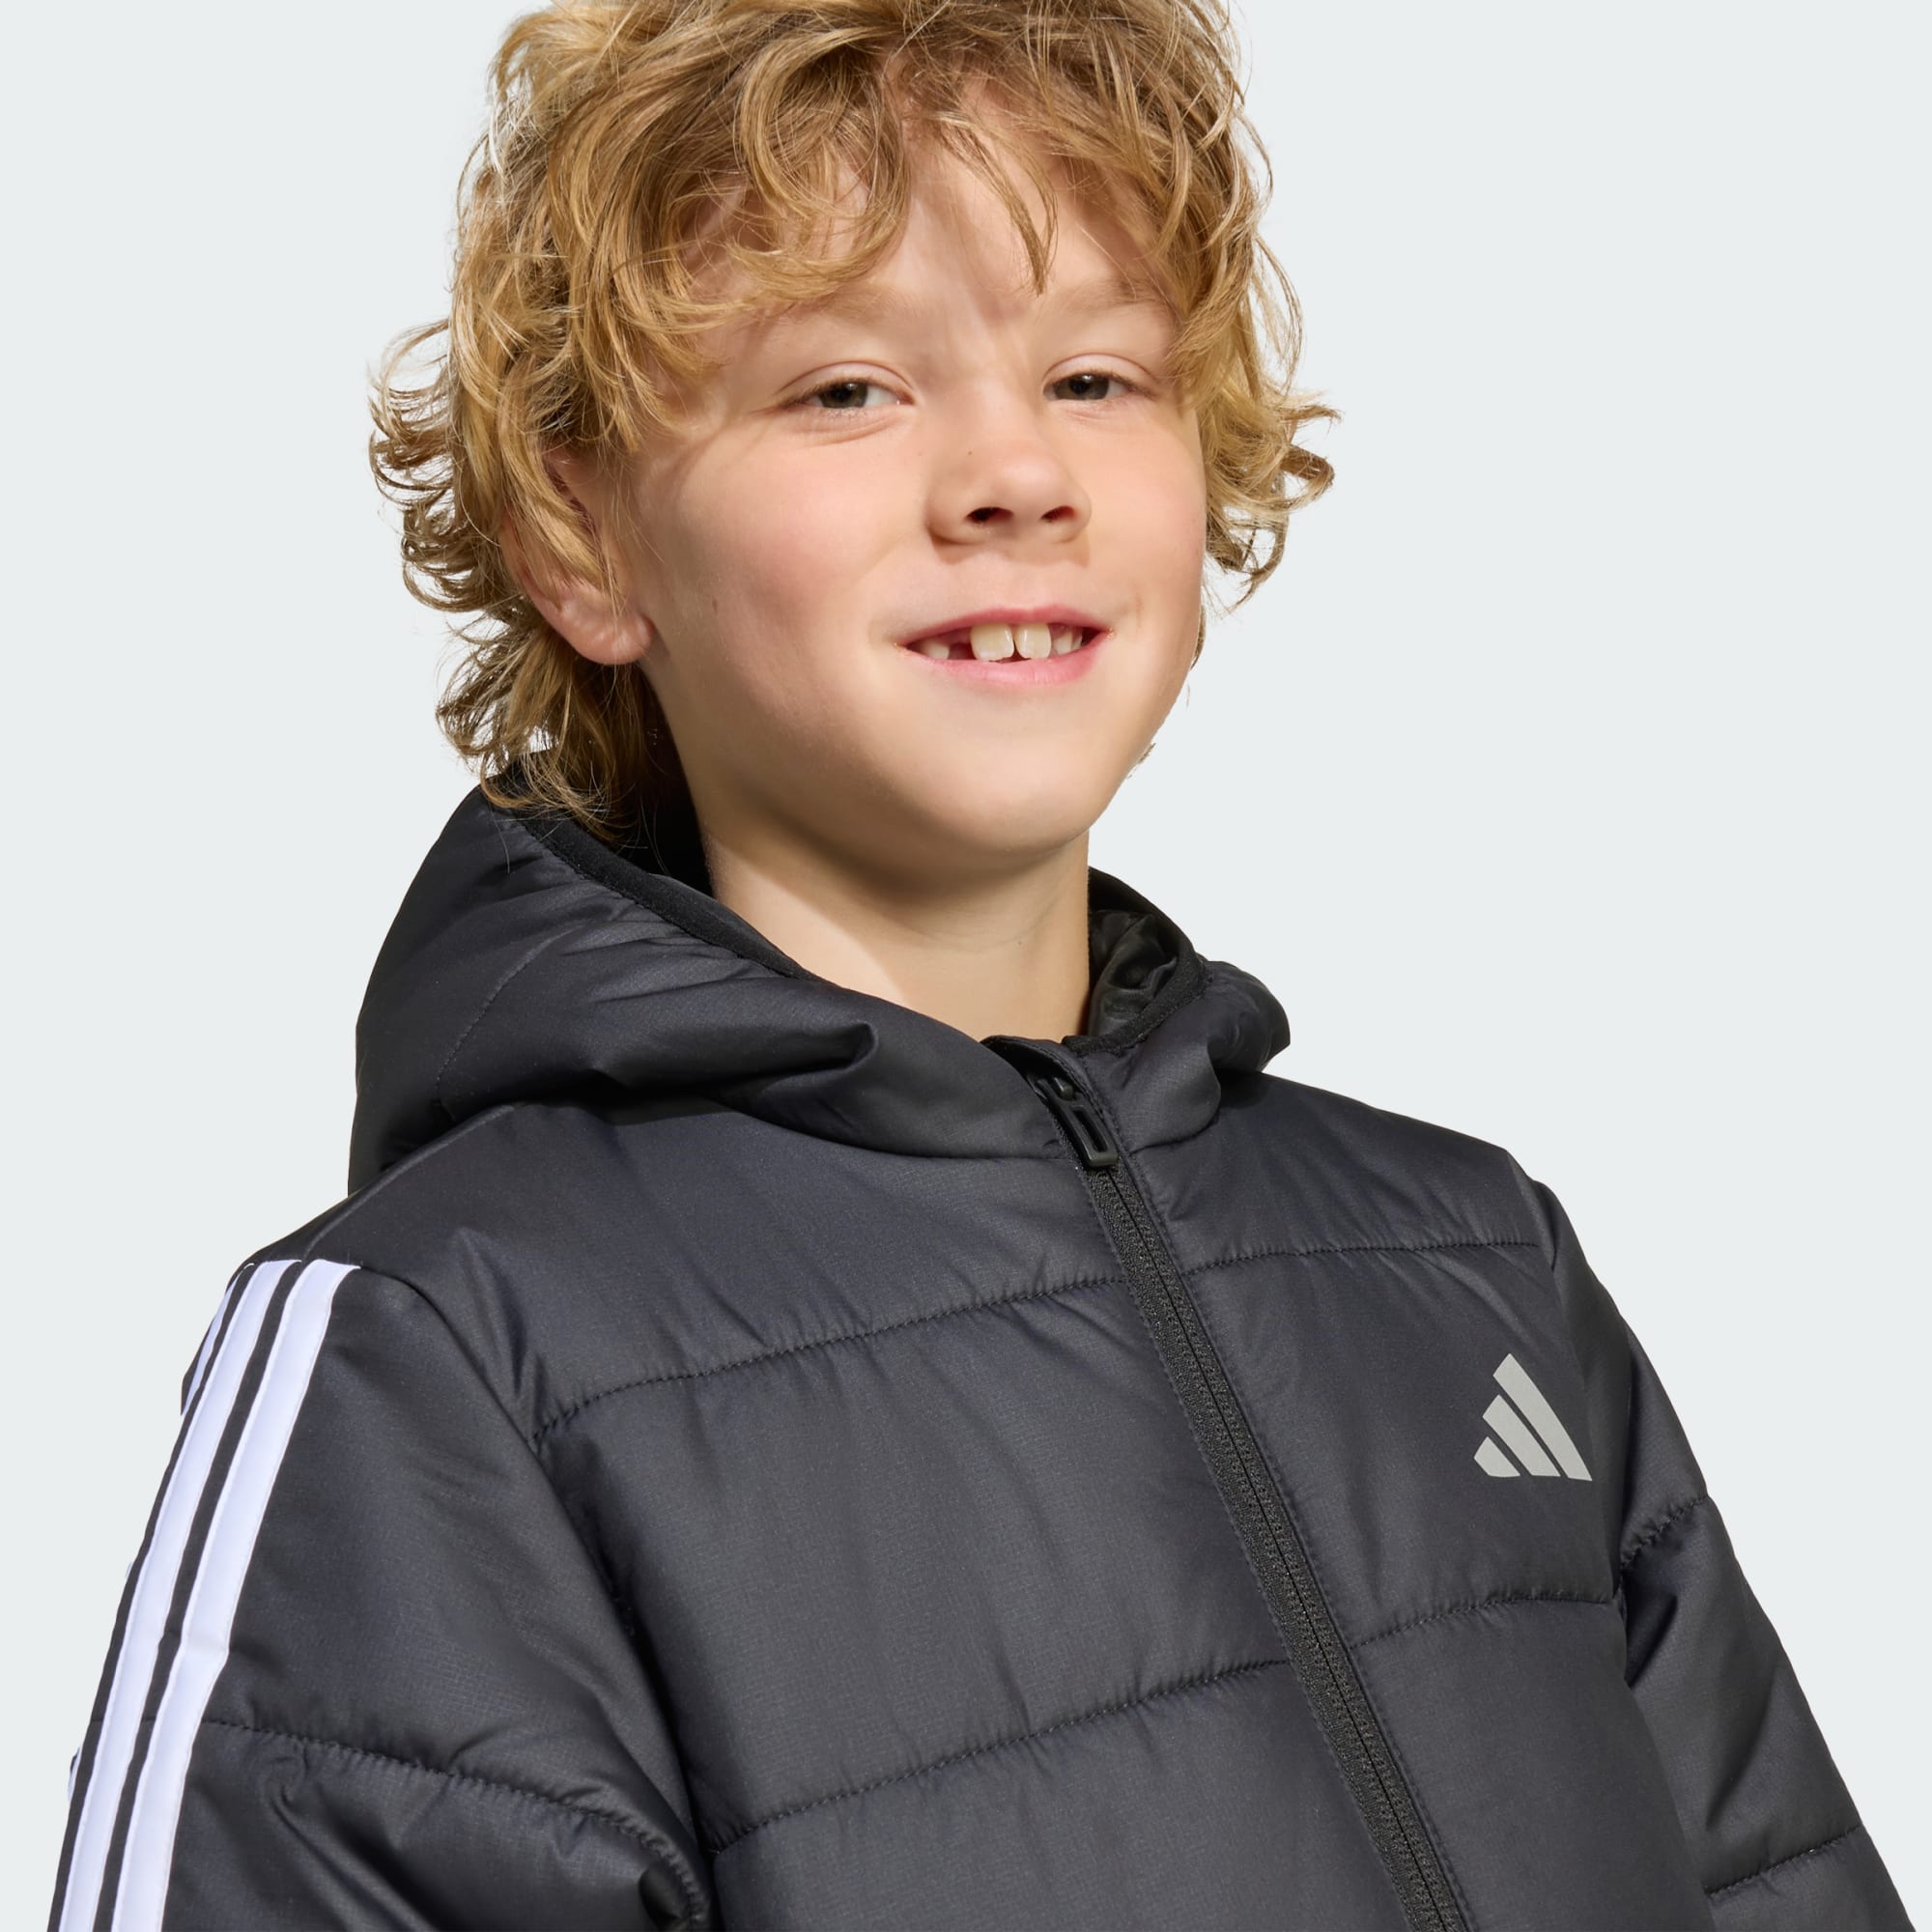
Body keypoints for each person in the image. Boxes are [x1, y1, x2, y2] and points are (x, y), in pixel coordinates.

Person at [46, 1, 1911, 1927]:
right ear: (582, 533)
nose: (1017, 472)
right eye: (848, 389)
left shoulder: (1469, 1259)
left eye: (1097, 376)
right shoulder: (442, 1355)